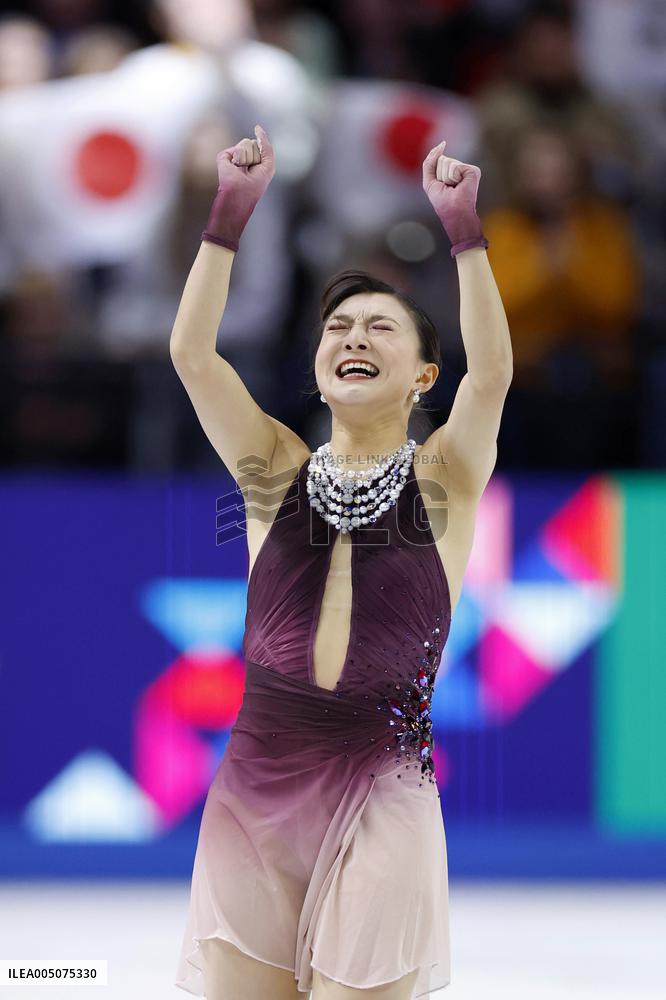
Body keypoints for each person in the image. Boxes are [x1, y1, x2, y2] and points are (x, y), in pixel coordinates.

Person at [171, 125, 512, 999]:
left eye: (379, 328)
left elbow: (493, 378)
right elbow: (193, 356)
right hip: (255, 785)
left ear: (423, 375)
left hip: (385, 784)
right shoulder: (273, 469)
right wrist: (228, 216)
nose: (353, 336)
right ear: (321, 372)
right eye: (339, 328)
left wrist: (465, 234)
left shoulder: (446, 478)